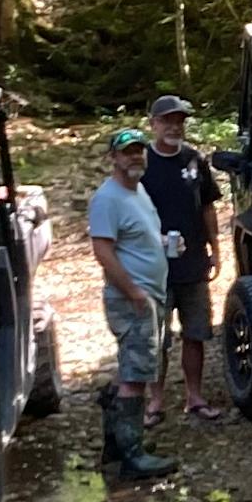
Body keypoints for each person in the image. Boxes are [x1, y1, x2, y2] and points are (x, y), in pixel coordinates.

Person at [88, 126, 179, 481]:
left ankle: (118, 448)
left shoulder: (137, 191)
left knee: (137, 367)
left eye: (139, 150)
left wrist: (164, 245)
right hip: (133, 298)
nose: (135, 156)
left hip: (148, 294)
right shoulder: (107, 198)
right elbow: (103, 251)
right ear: (114, 157)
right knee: (136, 374)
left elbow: (137, 237)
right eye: (127, 151)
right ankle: (132, 456)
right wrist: (133, 292)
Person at [142, 92, 228, 420]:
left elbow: (208, 205)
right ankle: (155, 401)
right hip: (154, 266)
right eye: (167, 121)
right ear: (153, 124)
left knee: (196, 333)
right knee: (157, 337)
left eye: (179, 121)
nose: (173, 127)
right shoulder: (142, 163)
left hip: (193, 262)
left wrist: (216, 248)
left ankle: (194, 396)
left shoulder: (194, 159)